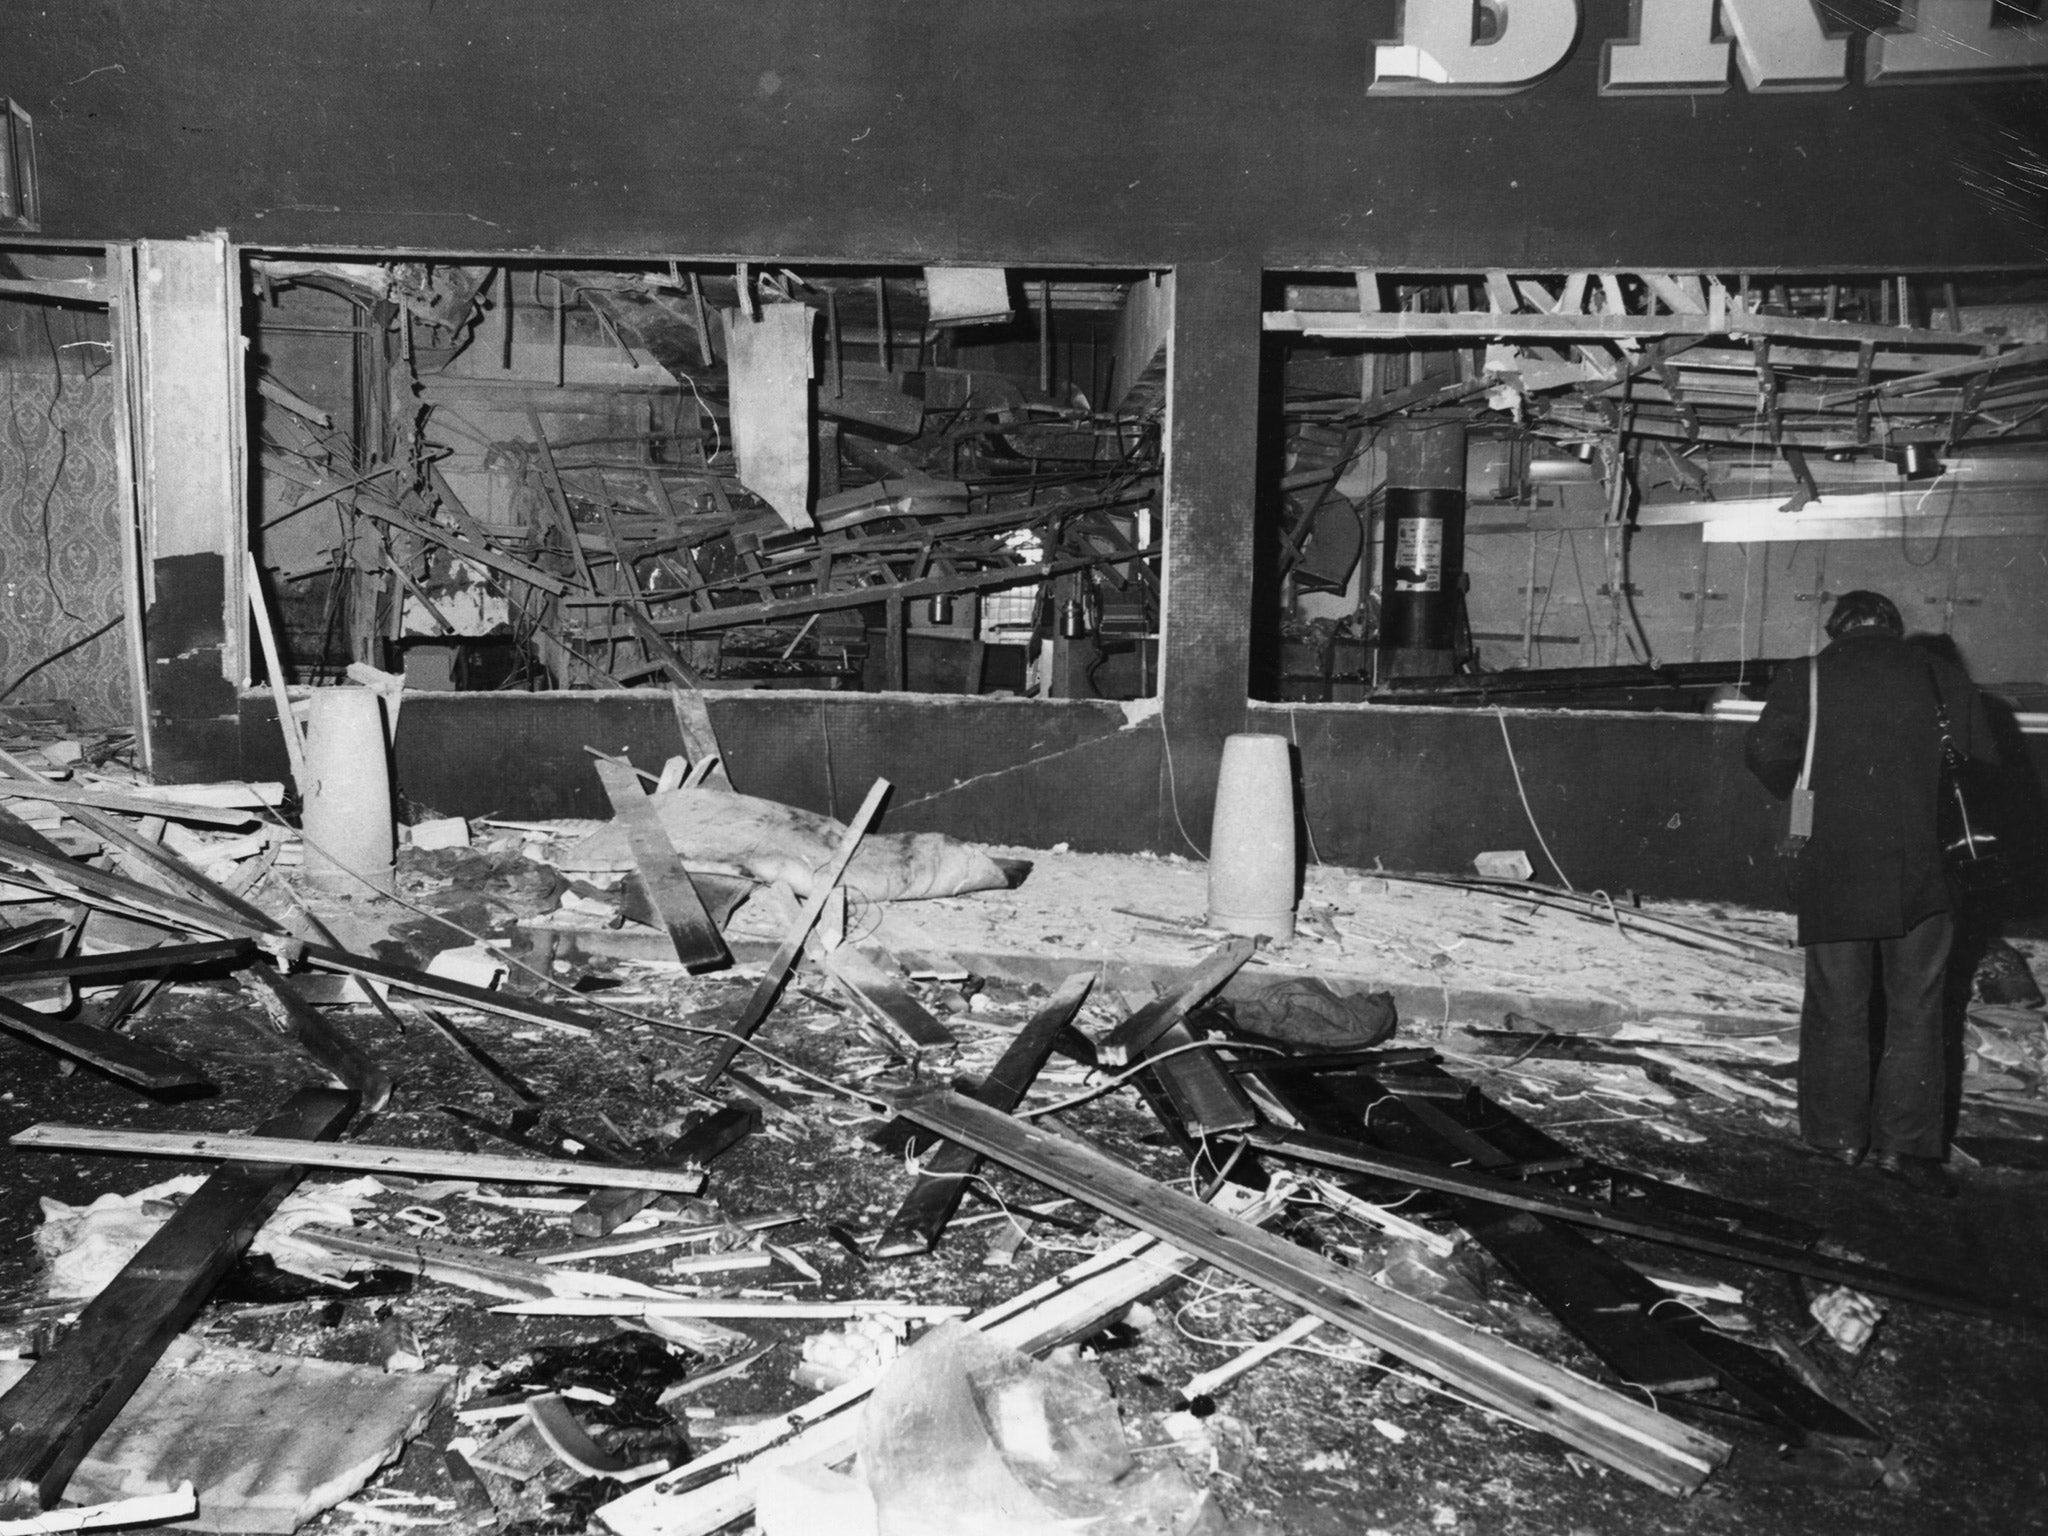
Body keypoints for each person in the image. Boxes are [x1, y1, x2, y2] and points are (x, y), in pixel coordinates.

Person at [1744, 589, 1998, 1197]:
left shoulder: (1807, 675)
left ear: (1837, 629)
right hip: (1926, 873)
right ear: (1894, 627)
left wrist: (1813, 784)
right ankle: (1905, 1150)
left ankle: (1837, 1141)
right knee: (1919, 1011)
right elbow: (1983, 764)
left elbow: (1765, 756)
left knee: (1838, 1005)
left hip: (1835, 867)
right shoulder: (1940, 674)